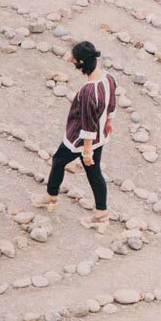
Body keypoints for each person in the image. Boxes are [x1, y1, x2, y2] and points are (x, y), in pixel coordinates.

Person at [39, 40, 117, 229]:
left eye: (74, 60)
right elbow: (112, 101)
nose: (72, 62)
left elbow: (88, 122)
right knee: (94, 173)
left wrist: (87, 151)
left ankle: (51, 197)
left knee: (58, 160)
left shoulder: (88, 91)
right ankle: (101, 215)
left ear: (81, 63)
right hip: (100, 135)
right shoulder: (108, 77)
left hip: (81, 139)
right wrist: (109, 120)